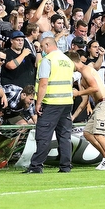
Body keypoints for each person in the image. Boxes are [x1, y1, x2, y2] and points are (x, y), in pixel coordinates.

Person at [24, 35, 75, 174]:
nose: (41, 50)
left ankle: (36, 166)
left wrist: (38, 103)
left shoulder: (48, 60)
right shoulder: (67, 60)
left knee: (43, 135)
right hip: (67, 102)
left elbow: (43, 83)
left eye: (42, 47)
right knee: (64, 136)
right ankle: (65, 166)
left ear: (47, 45)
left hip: (51, 102)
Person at [68, 51, 105, 170]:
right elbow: (84, 101)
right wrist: (73, 117)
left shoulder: (86, 70)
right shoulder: (81, 78)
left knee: (99, 134)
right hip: (99, 105)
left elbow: (95, 88)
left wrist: (78, 92)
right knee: (88, 133)